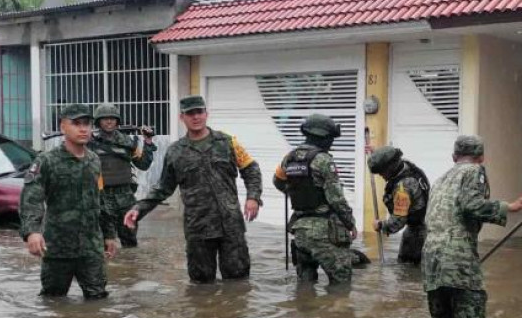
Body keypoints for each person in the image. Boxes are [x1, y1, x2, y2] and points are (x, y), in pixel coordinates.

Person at [123, 95, 262, 283]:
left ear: (206, 114)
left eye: (199, 112)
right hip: (198, 228)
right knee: (200, 285)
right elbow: (163, 188)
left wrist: (253, 197)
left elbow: (250, 168)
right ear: (182, 117)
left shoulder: (228, 142)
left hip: (231, 226)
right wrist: (138, 209)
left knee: (238, 282)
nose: (195, 117)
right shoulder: (175, 152)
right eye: (190, 113)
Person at [421, 135, 522, 318]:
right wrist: (509, 207)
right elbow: (471, 205)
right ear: (481, 157)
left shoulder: (441, 179)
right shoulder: (474, 171)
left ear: (454, 156)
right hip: (457, 258)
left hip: (431, 259)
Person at [19, 103, 119, 299]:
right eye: (76, 123)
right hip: (57, 248)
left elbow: (100, 198)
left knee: (97, 300)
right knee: (53, 302)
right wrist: (32, 232)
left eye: (87, 124)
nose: (83, 129)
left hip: (91, 248)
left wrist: (109, 234)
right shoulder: (47, 161)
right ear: (63, 127)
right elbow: (32, 196)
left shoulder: (94, 160)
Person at [273, 114, 356, 285]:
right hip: (325, 233)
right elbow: (336, 199)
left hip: (300, 232)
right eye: (331, 138)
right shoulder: (324, 160)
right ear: (324, 137)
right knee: (341, 287)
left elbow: (278, 181)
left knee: (304, 288)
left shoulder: (289, 158)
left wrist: (297, 193)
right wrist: (350, 224)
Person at [88, 104, 155, 248]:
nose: (109, 122)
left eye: (112, 118)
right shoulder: (89, 142)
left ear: (117, 121)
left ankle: (129, 269)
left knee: (130, 241)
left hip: (125, 197)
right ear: (98, 121)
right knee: (102, 243)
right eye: (105, 119)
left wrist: (148, 142)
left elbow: (143, 165)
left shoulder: (127, 141)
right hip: (101, 198)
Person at [368, 145, 430, 265]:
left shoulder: (403, 189)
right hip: (426, 227)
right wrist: (376, 155)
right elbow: (389, 156)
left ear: (391, 167)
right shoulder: (406, 166)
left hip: (417, 235)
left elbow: (398, 222)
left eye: (382, 171)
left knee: (408, 271)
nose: (381, 175)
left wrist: (381, 225)